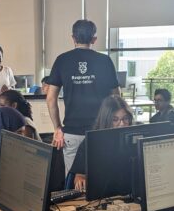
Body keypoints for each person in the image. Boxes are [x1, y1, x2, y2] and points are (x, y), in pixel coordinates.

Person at [46, 19, 120, 175]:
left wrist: (57, 128)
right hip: (100, 132)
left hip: (72, 132)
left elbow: (51, 98)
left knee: (73, 182)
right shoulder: (105, 61)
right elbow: (116, 98)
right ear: (94, 39)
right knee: (101, 177)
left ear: (73, 38)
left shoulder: (62, 60)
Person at [71, 95, 133, 192]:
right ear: (106, 120)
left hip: (129, 193)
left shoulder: (134, 139)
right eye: (115, 120)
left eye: (125, 118)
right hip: (103, 194)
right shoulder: (91, 141)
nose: (122, 124)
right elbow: (79, 175)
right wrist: (80, 179)